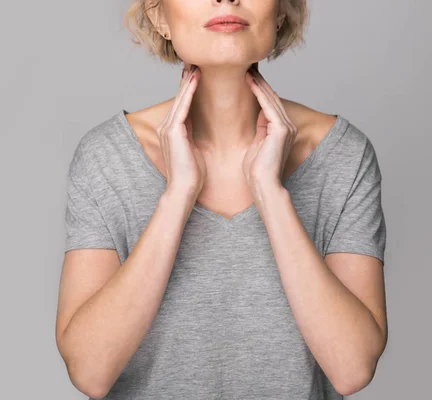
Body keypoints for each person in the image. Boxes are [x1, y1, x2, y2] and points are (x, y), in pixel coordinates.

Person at [55, 0, 388, 399]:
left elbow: (352, 369)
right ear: (159, 16)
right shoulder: (106, 156)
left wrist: (270, 192)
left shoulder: (343, 156)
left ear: (281, 10)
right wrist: (178, 195)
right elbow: (89, 373)